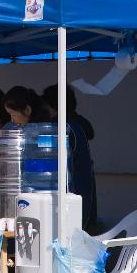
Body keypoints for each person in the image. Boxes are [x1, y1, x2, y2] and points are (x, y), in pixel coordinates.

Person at [43, 84, 97, 230]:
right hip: (86, 189)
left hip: (71, 193)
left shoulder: (62, 128)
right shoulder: (79, 124)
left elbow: (45, 155)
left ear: (53, 106)